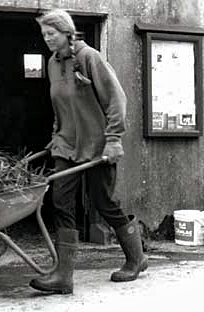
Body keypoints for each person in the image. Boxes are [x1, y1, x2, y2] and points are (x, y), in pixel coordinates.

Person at [30, 9, 148, 294]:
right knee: (60, 201)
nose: (46, 39)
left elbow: (116, 99)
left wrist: (113, 139)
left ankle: (136, 257)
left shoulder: (88, 57)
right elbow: (58, 105)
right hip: (66, 146)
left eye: (51, 34)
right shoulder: (52, 64)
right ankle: (63, 276)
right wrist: (56, 136)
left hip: (97, 147)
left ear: (67, 33)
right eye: (44, 34)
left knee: (102, 202)